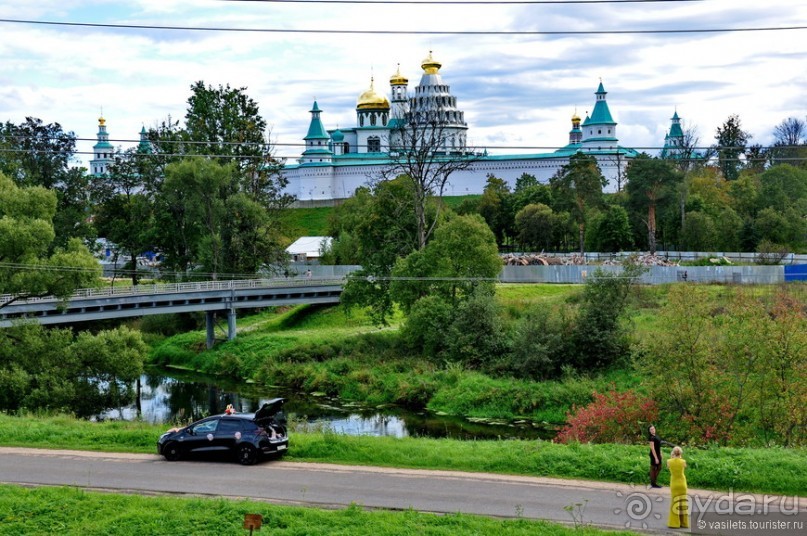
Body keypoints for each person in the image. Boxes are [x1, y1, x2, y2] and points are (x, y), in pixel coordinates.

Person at [667, 446, 689, 529]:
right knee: (683, 502)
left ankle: (674, 523)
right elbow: (684, 466)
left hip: (674, 483)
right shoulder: (683, 461)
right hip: (682, 483)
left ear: (673, 453)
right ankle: (684, 523)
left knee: (674, 503)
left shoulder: (669, 461)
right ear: (680, 453)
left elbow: (669, 465)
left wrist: (672, 457)